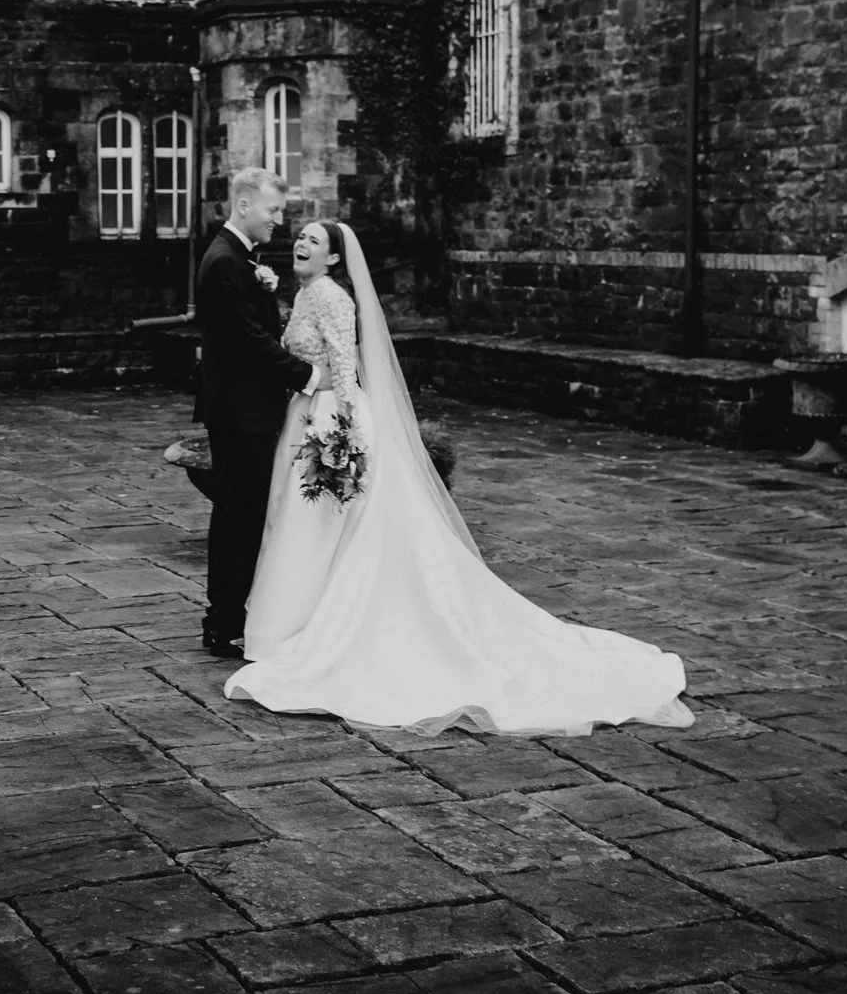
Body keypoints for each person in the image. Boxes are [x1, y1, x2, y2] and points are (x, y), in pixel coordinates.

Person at [226, 220, 693, 736]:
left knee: (318, 527)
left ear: (335, 259)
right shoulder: (307, 292)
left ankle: (304, 629)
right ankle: (287, 626)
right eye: (301, 237)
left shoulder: (332, 298)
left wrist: (343, 435)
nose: (301, 244)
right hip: (306, 414)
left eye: (314, 241)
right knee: (302, 526)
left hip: (329, 420)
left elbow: (345, 368)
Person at [194, 167, 329, 661]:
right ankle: (224, 622)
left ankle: (229, 616)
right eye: (273, 210)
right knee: (239, 516)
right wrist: (312, 377)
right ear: (245, 205)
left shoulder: (236, 258)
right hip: (242, 413)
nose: (279, 220)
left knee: (243, 514)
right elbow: (249, 344)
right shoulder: (226, 263)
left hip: (244, 409)